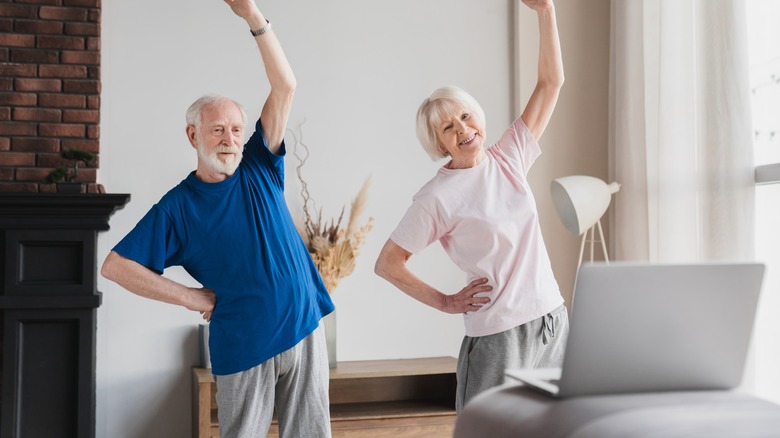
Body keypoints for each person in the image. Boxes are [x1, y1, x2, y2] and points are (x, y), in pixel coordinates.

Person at [100, 1, 334, 436]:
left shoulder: (260, 165)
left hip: (304, 326)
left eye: (236, 130)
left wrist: (253, 17)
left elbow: (285, 85)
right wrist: (192, 298)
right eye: (217, 129)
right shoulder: (177, 207)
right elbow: (115, 266)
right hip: (243, 344)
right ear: (193, 134)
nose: (230, 139)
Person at [374, 0, 567, 413]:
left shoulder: (510, 155)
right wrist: (445, 301)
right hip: (499, 337)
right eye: (449, 126)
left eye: (465, 116)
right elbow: (388, 263)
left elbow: (551, 83)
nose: (463, 129)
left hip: (551, 321)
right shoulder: (436, 197)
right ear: (438, 142)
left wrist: (546, 11)